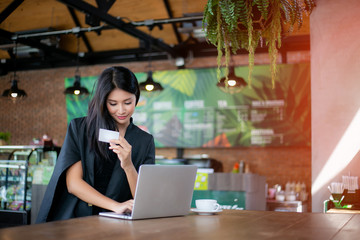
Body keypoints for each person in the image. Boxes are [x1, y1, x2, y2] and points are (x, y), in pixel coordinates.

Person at [36, 66, 155, 223]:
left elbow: (143, 198)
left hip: (119, 224)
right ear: (103, 101)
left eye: (128, 102)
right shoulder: (80, 129)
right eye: (113, 103)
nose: (121, 110)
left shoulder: (144, 141)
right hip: (78, 220)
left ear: (136, 98)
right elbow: (73, 184)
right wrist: (115, 206)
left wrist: (128, 166)